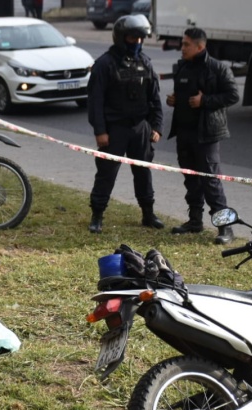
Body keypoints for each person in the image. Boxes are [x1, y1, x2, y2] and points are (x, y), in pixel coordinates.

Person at [87, 15, 164, 234]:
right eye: (133, 38)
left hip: (140, 127)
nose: (137, 43)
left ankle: (148, 214)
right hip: (114, 129)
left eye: (141, 38)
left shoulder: (145, 63)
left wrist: (156, 127)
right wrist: (100, 131)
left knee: (143, 172)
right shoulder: (104, 64)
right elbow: (95, 101)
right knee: (106, 173)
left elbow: (154, 98)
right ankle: (97, 215)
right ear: (121, 37)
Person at [165, 27, 240, 244]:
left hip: (206, 134)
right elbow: (183, 93)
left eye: (186, 44)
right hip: (184, 133)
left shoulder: (217, 68)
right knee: (191, 179)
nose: (182, 48)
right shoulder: (182, 67)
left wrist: (205, 101)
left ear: (200, 46)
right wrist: (175, 100)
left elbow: (232, 95)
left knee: (210, 181)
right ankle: (194, 221)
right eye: (182, 43)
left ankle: (225, 228)